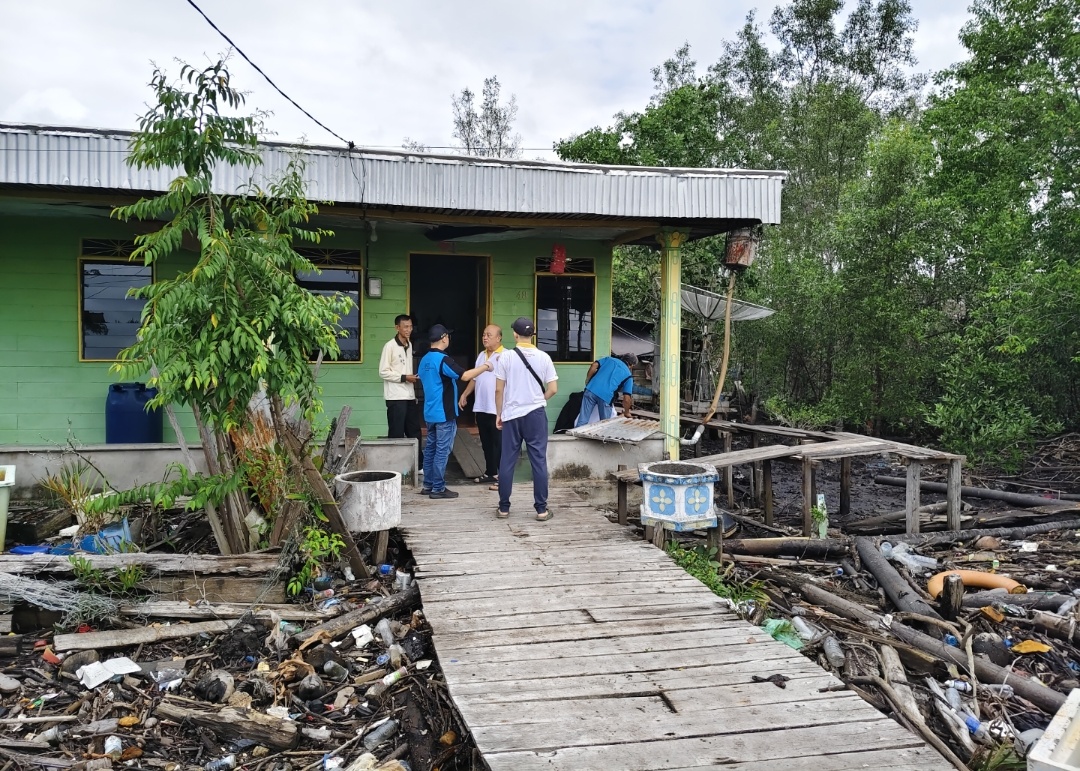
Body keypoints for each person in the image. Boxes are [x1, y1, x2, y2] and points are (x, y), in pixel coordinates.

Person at [417, 324, 493, 499]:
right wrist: (486, 366)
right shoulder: (443, 360)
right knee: (442, 450)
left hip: (429, 412)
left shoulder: (425, 359)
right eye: (448, 336)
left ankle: (428, 485)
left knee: (430, 449)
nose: (449, 339)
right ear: (444, 338)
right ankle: (438, 488)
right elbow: (465, 376)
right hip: (444, 413)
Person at [495, 317, 558, 521]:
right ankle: (541, 509)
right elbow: (553, 389)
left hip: (512, 415)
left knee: (507, 461)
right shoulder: (544, 357)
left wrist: (499, 413)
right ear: (532, 335)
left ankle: (504, 508)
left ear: (515, 334)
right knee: (538, 460)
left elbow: (498, 389)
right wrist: (539, 399)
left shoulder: (505, 358)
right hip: (536, 414)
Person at [457, 324, 504, 489]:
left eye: (489, 335)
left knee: (499, 444)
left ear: (499, 338)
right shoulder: (481, 355)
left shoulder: (505, 356)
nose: (485, 337)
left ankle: (501, 475)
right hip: (482, 407)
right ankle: (490, 472)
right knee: (486, 442)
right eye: (484, 334)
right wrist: (465, 394)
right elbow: (475, 378)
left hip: (497, 408)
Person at [378, 314, 421, 442]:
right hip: (395, 397)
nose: (409, 330)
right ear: (397, 327)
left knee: (414, 432)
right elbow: (383, 372)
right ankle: (396, 462)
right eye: (405, 327)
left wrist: (410, 377)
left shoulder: (409, 345)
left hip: (409, 396)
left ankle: (418, 461)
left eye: (411, 327)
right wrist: (404, 377)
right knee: (396, 433)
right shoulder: (389, 346)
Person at [575, 353, 638, 427]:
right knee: (604, 425)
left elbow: (594, 365)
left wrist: (588, 380)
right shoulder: (628, 376)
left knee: (582, 420)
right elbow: (627, 399)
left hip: (590, 390)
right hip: (606, 397)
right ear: (632, 365)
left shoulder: (609, 359)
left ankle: (576, 436)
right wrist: (627, 412)